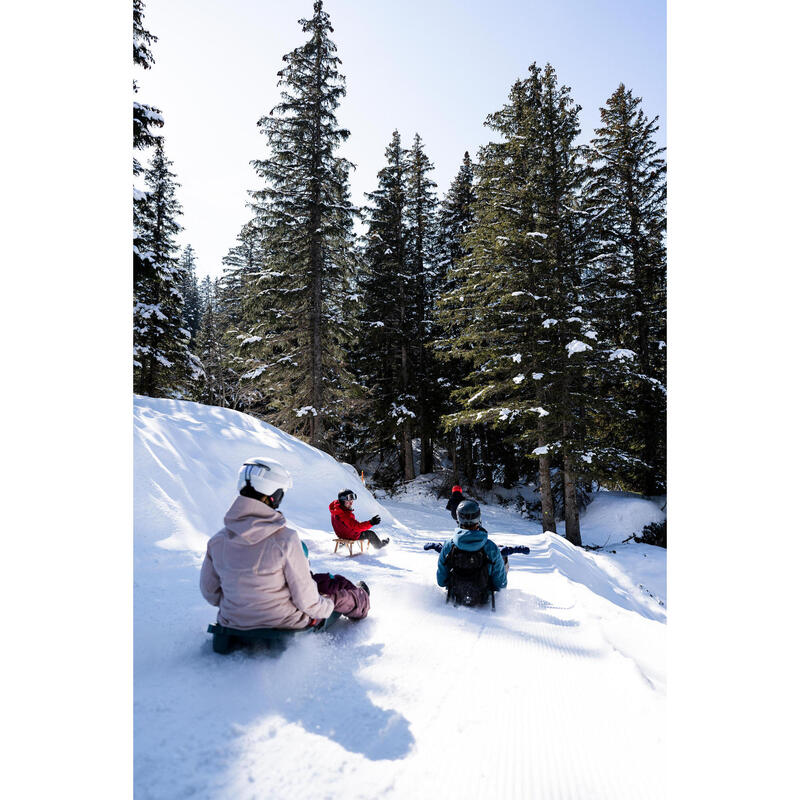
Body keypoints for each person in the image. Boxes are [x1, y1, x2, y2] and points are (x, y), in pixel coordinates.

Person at [200, 457, 370, 630]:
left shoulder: (218, 541)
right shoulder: (285, 539)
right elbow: (308, 601)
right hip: (284, 621)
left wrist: (244, 604)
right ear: (273, 493)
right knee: (336, 594)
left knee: (320, 582)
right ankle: (361, 602)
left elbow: (210, 593)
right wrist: (328, 605)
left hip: (232, 620)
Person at [436, 499, 507, 606]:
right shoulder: (490, 547)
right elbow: (500, 585)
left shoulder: (448, 546)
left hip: (456, 597)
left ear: (458, 518)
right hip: (483, 599)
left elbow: (441, 581)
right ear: (478, 517)